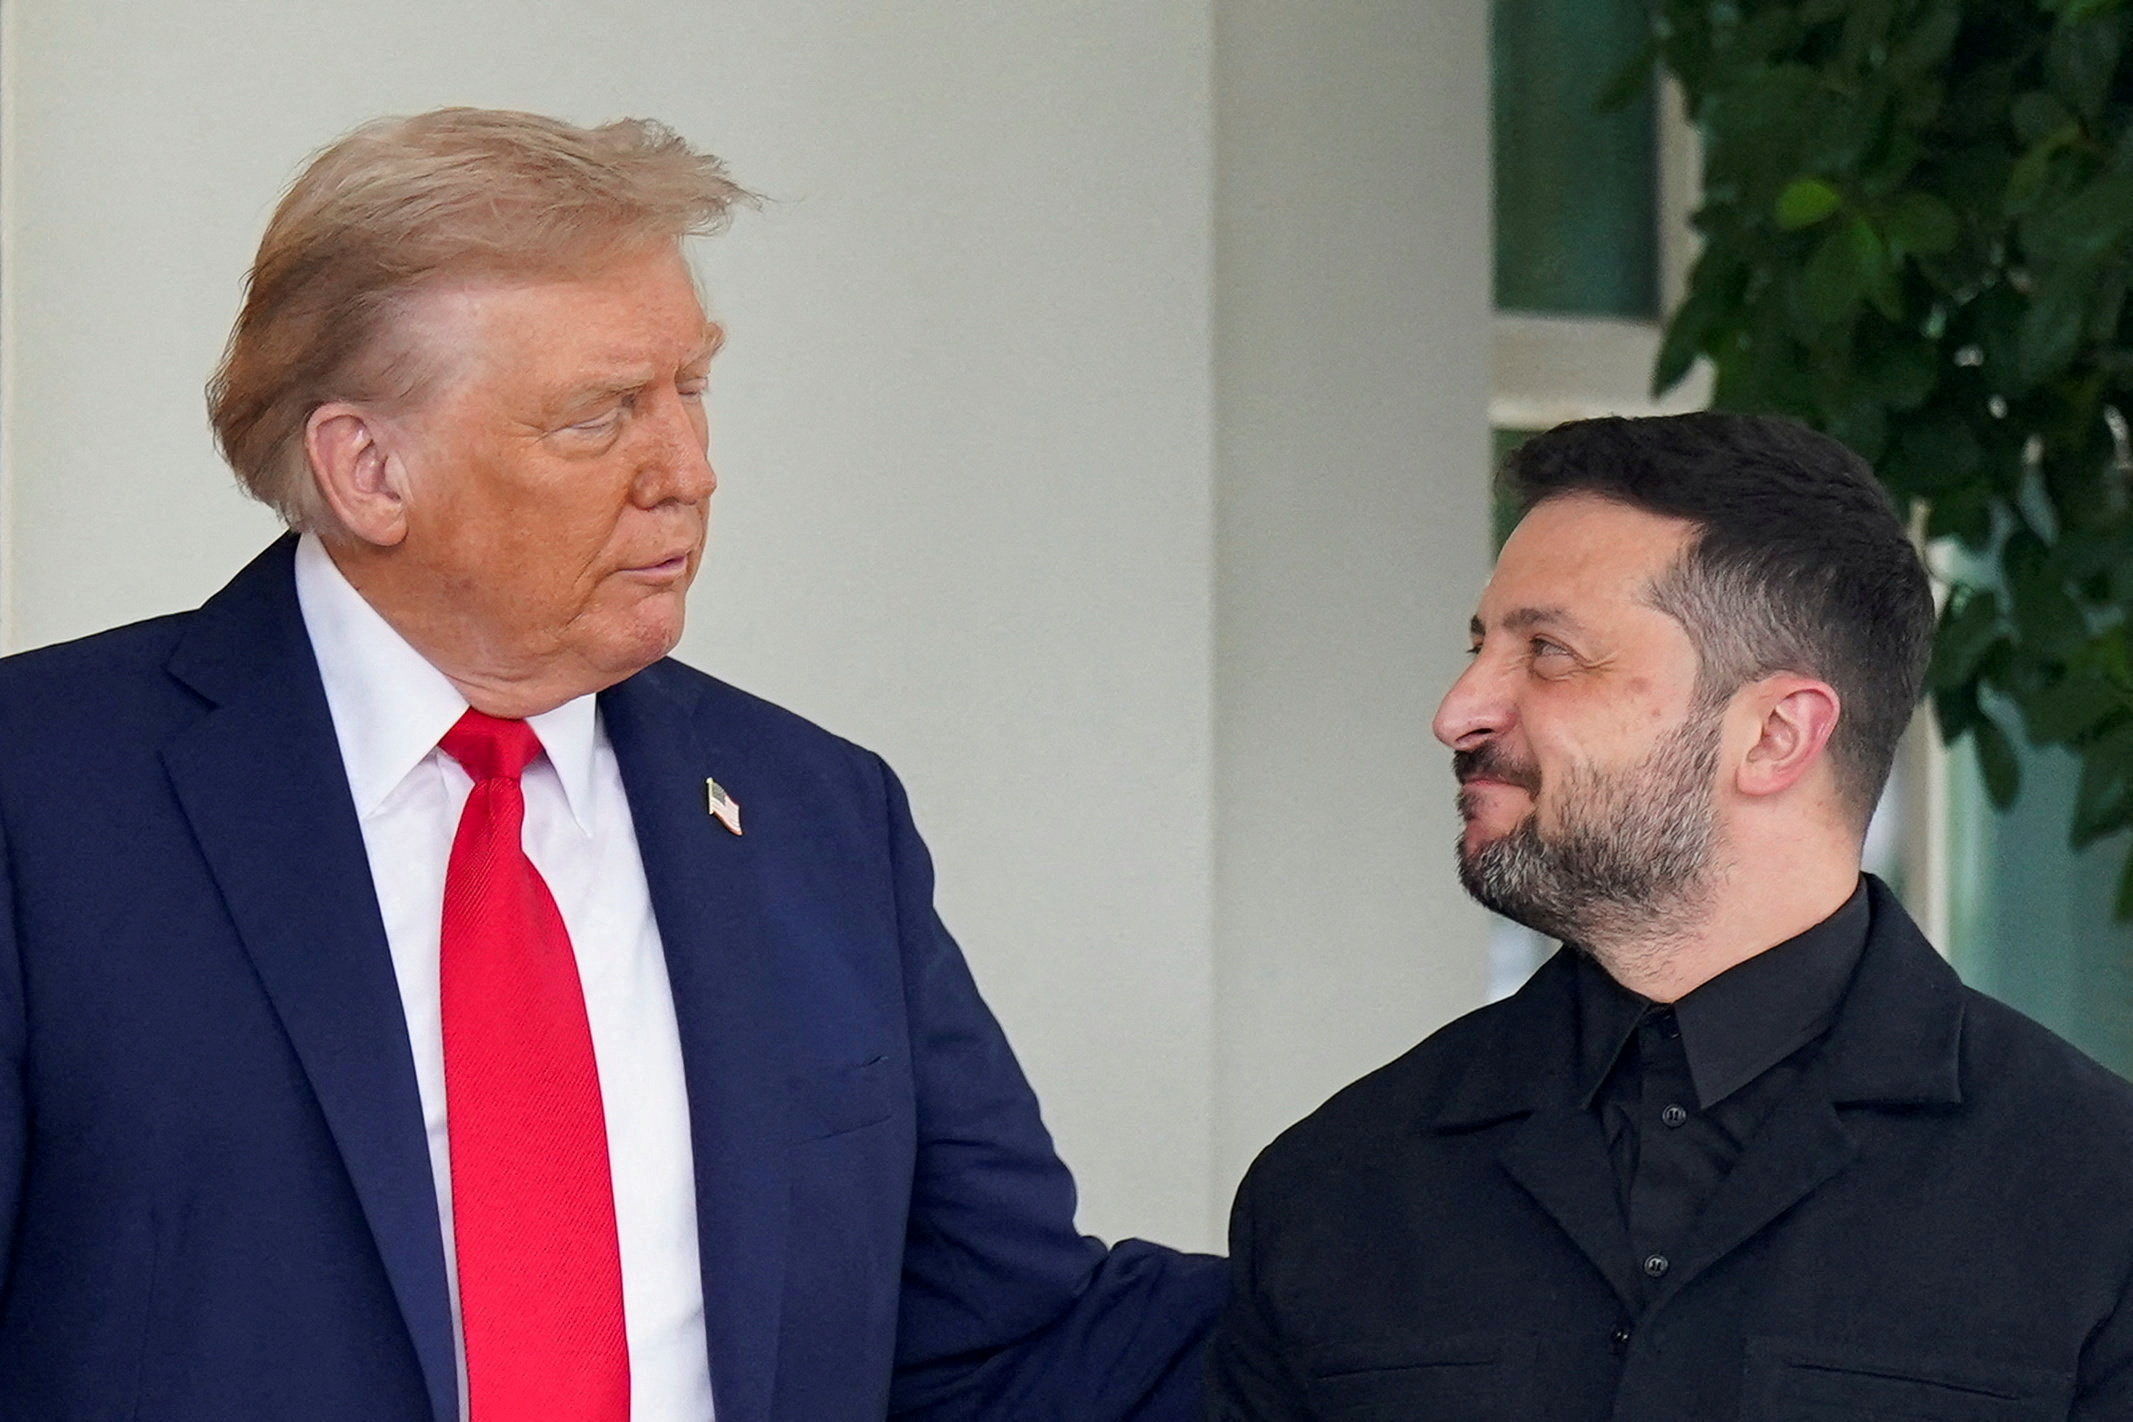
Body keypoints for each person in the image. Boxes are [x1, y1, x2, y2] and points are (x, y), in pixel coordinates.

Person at [0, 108, 1220, 1422]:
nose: (689, 471)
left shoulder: (819, 814)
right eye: (600, 416)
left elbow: (999, 1343)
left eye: (690, 389)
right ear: (367, 468)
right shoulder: (44, 792)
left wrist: (1418, 1231)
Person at [1202, 412, 2133, 1419]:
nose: (1459, 709)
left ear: (1776, 735)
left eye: (1548, 653)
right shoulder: (1334, 1188)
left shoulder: (2098, 1200)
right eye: (1481, 648)